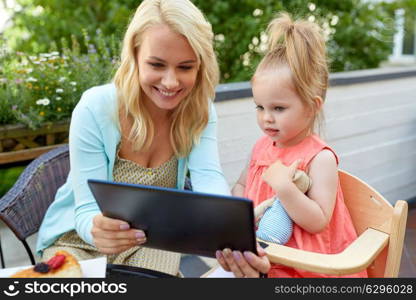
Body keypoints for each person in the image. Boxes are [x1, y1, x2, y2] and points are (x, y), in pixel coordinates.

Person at [36, 0, 269, 277]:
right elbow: (86, 210)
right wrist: (97, 230)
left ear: (201, 66)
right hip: (78, 239)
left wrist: (231, 238)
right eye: (157, 65)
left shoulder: (199, 110)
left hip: (150, 241)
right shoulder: (95, 108)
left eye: (185, 67)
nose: (170, 82)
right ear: (134, 55)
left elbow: (209, 179)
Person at [218, 12, 368, 278]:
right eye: (260, 107)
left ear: (312, 107)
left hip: (306, 267)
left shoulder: (320, 158)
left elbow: (318, 221)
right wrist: (234, 215)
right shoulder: (261, 147)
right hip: (265, 259)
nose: (266, 117)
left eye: (278, 108)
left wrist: (285, 187)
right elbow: (242, 185)